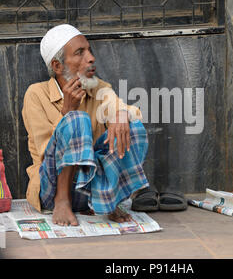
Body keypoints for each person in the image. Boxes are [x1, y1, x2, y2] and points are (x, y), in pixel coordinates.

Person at [22, 24, 149, 226]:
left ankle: (108, 200)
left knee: (134, 128)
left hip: (90, 190)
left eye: (89, 50)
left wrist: (121, 113)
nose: (90, 58)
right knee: (76, 119)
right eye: (80, 53)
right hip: (51, 188)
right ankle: (62, 201)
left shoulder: (99, 88)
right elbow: (46, 152)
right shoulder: (36, 94)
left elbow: (127, 111)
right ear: (58, 66)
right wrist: (67, 112)